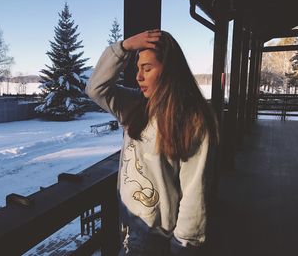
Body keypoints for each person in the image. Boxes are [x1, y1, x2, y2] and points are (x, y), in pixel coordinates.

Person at [86, 30, 218, 255]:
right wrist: (124, 47)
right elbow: (95, 88)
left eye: (147, 69)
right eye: (138, 69)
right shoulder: (134, 105)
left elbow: (195, 194)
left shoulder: (191, 119)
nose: (139, 77)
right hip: (127, 228)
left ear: (169, 72)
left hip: (158, 240)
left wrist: (182, 247)